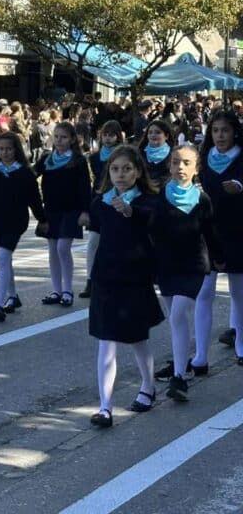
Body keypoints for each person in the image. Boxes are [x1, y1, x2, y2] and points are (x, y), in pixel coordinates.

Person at [83, 145, 162, 428]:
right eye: (115, 169)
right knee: (106, 342)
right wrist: (89, 275)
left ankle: (148, 385)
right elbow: (95, 239)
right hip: (106, 277)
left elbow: (153, 227)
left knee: (138, 339)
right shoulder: (100, 203)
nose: (120, 174)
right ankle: (105, 407)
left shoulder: (148, 202)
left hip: (135, 279)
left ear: (138, 172)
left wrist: (131, 212)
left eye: (127, 169)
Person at [150, 145, 215, 402]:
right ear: (169, 166)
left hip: (194, 265)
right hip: (166, 265)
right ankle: (182, 368)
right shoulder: (160, 196)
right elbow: (151, 231)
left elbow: (210, 233)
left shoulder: (202, 200)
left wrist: (219, 258)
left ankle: (178, 377)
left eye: (187, 162)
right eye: (176, 162)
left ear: (196, 168)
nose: (180, 167)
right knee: (175, 320)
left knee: (178, 313)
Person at [0, 131, 46, 322]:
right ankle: (13, 296)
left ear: (16, 150)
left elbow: (34, 199)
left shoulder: (24, 172)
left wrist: (42, 218)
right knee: (6, 260)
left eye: (9, 149)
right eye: (2, 149)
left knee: (3, 257)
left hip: (16, 221)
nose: (5, 153)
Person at [196, 110, 243, 371]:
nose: (220, 135)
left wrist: (239, 186)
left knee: (239, 293)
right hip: (208, 232)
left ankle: (241, 346)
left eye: (225, 130)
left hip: (237, 232)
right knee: (204, 292)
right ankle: (200, 355)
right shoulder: (204, 159)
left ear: (235, 131)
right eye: (215, 131)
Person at [35, 121, 92, 307]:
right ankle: (56, 290)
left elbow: (85, 187)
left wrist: (85, 211)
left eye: (64, 137)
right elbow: (31, 175)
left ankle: (67, 290)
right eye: (57, 136)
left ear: (73, 139)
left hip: (72, 210)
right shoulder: (46, 159)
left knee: (62, 248)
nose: (59, 140)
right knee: (52, 249)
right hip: (51, 209)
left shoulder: (78, 160)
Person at [82, 121, 124, 299]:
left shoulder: (124, 155)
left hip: (119, 200)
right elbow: (91, 182)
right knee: (93, 243)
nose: (108, 138)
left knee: (116, 243)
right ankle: (90, 280)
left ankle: (116, 279)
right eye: (105, 134)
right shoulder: (94, 157)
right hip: (98, 202)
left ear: (118, 136)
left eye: (112, 135)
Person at [141, 119, 173, 186]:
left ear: (166, 136)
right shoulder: (140, 153)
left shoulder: (174, 154)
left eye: (158, 132)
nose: (153, 135)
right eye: (150, 132)